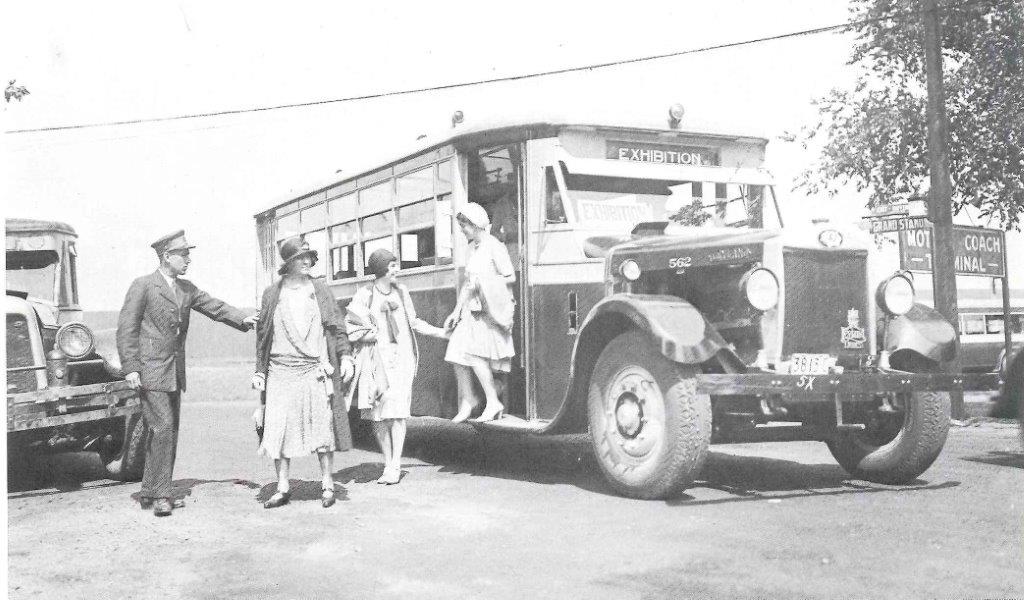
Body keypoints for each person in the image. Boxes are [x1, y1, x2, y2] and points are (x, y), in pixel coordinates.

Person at [117, 230, 259, 517]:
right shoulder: (143, 286)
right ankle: (161, 495)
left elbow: (214, 306)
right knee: (162, 429)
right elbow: (126, 330)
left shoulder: (186, 288)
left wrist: (242, 318)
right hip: (150, 370)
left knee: (167, 430)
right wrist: (130, 368)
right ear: (166, 256)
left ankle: (152, 489)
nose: (188, 259)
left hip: (174, 372)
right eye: (183, 254)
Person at [252, 236, 355, 509]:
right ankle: (282, 486)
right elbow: (263, 335)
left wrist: (345, 356)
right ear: (289, 263)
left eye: (309, 257)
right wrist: (260, 371)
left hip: (313, 370)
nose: (308, 261)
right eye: (301, 258)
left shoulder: (320, 290)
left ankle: (327, 484)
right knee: (278, 429)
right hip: (280, 370)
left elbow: (337, 326)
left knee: (322, 427)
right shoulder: (272, 293)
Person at [345, 248, 446, 484]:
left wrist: (440, 332)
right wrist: (367, 333)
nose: (396, 270)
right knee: (379, 417)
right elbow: (349, 325)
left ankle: (395, 465)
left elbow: (414, 322)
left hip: (402, 360)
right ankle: (387, 461)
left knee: (398, 414)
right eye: (391, 266)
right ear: (380, 269)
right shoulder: (365, 295)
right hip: (375, 363)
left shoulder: (402, 291)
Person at [444, 203, 516, 423]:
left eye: (464, 225)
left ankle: (493, 400)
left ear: (476, 224)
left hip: (491, 313)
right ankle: (469, 399)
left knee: (473, 355)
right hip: (472, 311)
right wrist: (456, 311)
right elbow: (468, 283)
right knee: (455, 352)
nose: (462, 230)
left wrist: (483, 282)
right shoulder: (472, 248)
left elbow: (510, 277)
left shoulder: (495, 246)